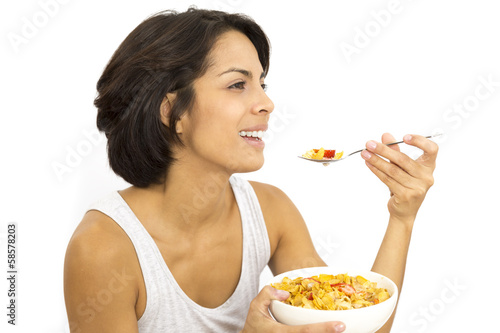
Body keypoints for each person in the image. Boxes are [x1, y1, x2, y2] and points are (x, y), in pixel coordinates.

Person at [63, 7, 438, 333]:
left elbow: (353, 326)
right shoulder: (102, 248)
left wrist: (402, 217)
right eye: (238, 84)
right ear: (170, 111)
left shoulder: (271, 212)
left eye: (262, 83)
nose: (267, 103)